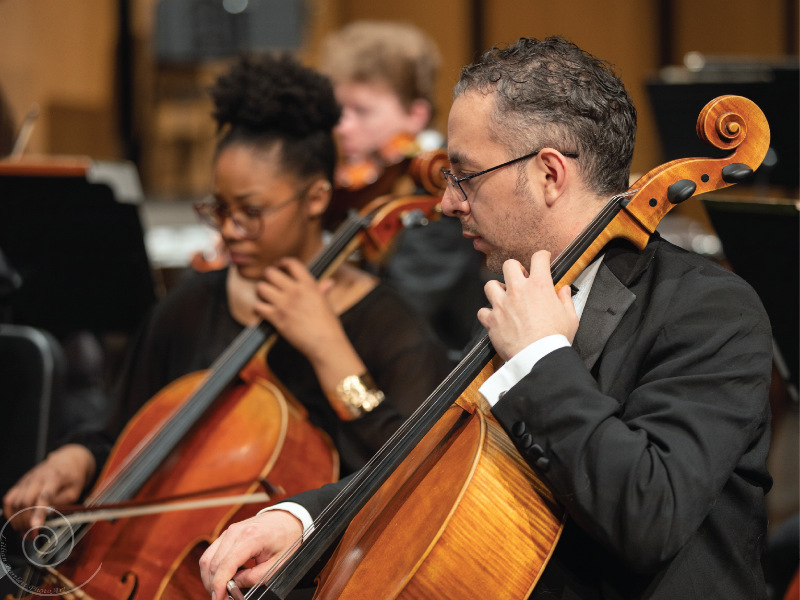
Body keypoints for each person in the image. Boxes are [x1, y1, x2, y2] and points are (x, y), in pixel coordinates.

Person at [198, 37, 773, 600]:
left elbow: (651, 516)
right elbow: (437, 459)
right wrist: (307, 519)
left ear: (549, 174)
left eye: (465, 175)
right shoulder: (516, 291)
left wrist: (540, 359)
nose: (448, 202)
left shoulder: (710, 310)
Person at [2, 54, 450, 533]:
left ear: (316, 198)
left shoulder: (387, 324)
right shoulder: (192, 305)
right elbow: (118, 431)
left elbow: (416, 474)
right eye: (219, 208)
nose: (230, 230)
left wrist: (330, 351)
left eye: (251, 212)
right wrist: (74, 460)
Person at [320, 21, 486, 354]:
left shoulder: (441, 188)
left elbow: (408, 305)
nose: (342, 127)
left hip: (434, 366)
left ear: (415, 114)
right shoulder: (374, 178)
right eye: (339, 110)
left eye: (361, 111)